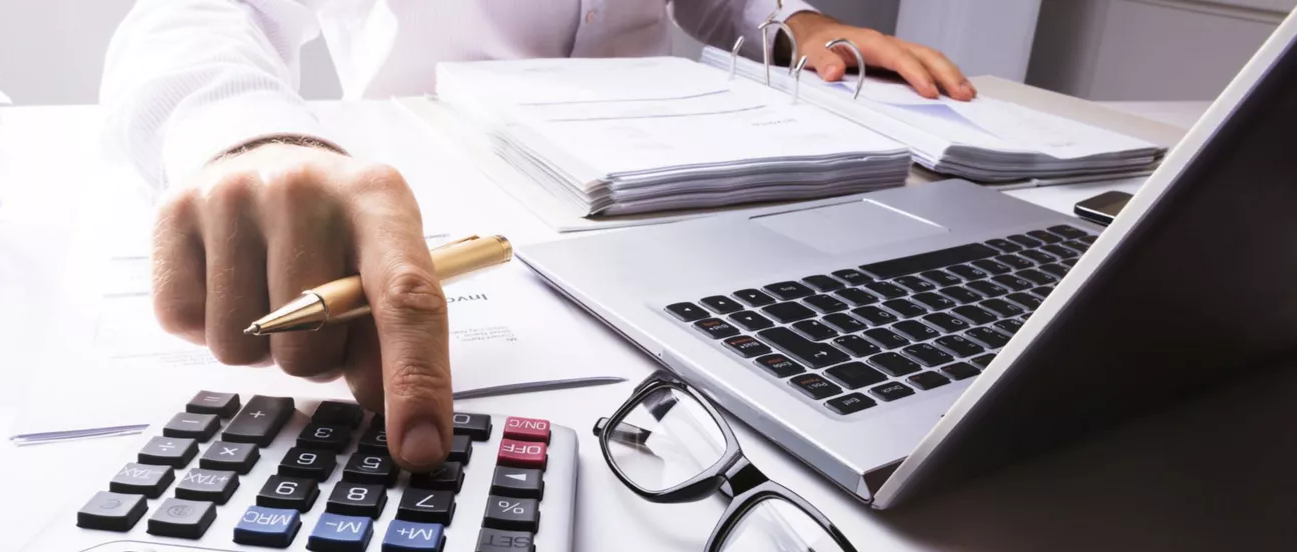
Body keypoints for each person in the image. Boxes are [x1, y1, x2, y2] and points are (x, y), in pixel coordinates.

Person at [99, 0, 973, 473]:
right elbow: (194, 14)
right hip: (442, 197)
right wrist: (246, 136)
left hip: (678, 187)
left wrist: (795, 21)